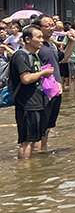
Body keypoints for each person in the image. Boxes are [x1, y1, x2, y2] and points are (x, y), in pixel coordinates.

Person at [9, 26, 54, 160]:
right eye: (38, 37)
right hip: (27, 104)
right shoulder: (21, 56)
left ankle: (32, 172)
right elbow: (26, 78)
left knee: (35, 139)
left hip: (38, 102)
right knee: (27, 141)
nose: (41, 40)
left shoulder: (34, 55)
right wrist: (42, 73)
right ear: (27, 39)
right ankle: (24, 171)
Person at [36, 16, 65, 152]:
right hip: (44, 92)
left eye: (52, 25)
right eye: (47, 25)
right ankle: (35, 159)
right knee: (39, 129)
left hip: (55, 91)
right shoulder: (36, 49)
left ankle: (43, 152)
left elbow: (63, 58)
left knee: (47, 127)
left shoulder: (51, 44)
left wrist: (71, 42)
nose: (51, 28)